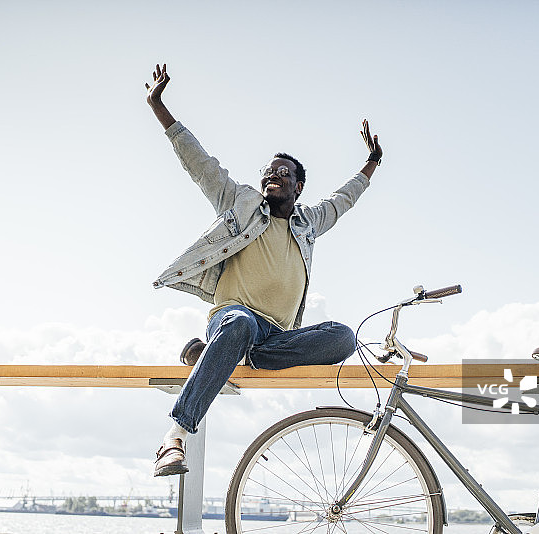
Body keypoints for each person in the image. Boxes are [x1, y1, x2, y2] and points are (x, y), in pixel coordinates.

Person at [145, 63, 383, 476]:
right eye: (268, 172)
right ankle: (175, 436)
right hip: (234, 316)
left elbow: (344, 199)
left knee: (343, 336)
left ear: (298, 187)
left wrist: (372, 164)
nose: (272, 177)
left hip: (277, 336)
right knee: (238, 326)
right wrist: (159, 108)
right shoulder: (240, 203)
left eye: (282, 174)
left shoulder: (309, 223)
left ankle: (224, 357)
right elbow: (200, 164)